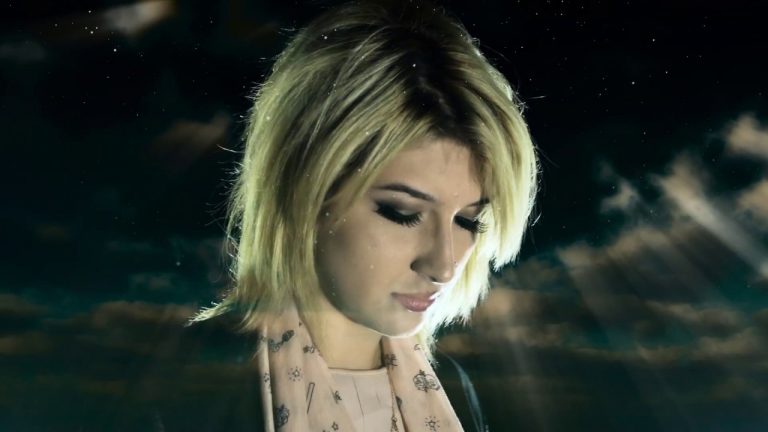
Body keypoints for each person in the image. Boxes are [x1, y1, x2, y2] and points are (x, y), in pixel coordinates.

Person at [131, 0, 539, 431]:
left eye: (469, 221)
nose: (443, 265)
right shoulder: (185, 386)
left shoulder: (454, 391)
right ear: (303, 190)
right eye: (402, 213)